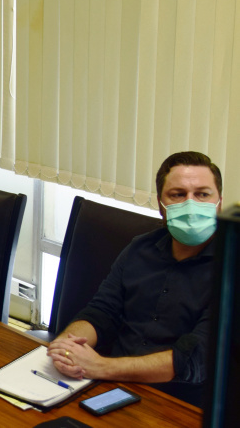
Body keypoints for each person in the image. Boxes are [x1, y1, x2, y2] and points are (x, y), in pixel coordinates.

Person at [47, 151, 220, 406]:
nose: (191, 204)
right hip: (110, 388)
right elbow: (102, 311)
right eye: (178, 194)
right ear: (161, 204)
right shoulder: (140, 248)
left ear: (219, 202)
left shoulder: (230, 273)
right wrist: (67, 344)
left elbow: (195, 357)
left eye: (202, 194)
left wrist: (101, 366)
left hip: (181, 405)